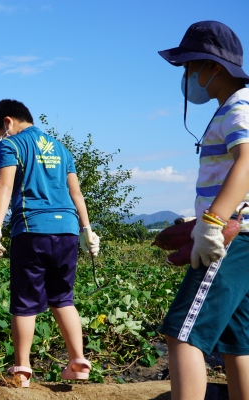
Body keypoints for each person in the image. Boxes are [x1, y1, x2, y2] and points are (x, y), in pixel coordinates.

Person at [158, 21, 249, 400]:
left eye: (190, 66)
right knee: (236, 340)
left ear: (214, 67)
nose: (187, 75)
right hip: (241, 238)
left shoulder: (238, 107)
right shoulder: (230, 108)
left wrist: (212, 224)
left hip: (229, 238)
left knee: (182, 332)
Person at [0, 99, 100, 387]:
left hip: (32, 229)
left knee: (24, 302)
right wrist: (88, 230)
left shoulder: (11, 145)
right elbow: (76, 193)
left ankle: (21, 370)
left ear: (8, 122)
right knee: (63, 297)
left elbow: (5, 186)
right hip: (68, 232)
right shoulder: (61, 149)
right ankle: (79, 363)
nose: (1, 139)